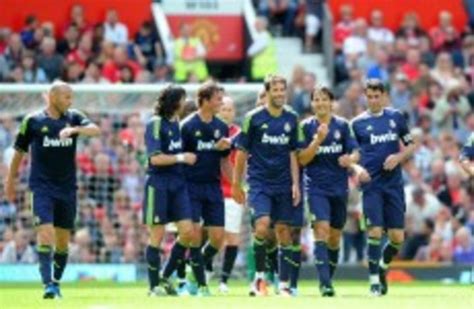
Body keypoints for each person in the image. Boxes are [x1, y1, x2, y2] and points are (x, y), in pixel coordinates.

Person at [4, 80, 101, 299]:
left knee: (62, 240)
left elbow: (96, 130)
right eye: (67, 97)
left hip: (67, 188)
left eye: (71, 97)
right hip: (41, 187)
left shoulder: (74, 116)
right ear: (54, 97)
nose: (70, 101)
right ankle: (47, 285)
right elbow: (19, 152)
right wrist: (10, 181)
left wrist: (75, 129)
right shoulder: (33, 121)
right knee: (45, 233)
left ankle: (56, 283)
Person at [232, 74, 300, 296]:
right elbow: (242, 152)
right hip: (259, 182)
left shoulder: (292, 118)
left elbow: (293, 153)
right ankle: (259, 278)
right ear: (267, 92)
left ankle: (284, 284)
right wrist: (236, 183)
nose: (280, 93)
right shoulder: (253, 118)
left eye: (283, 89)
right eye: (276, 90)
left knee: (283, 231)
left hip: (283, 182)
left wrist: (296, 184)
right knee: (262, 225)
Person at [350, 79, 416, 296]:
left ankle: (382, 268)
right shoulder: (357, 124)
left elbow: (411, 144)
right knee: (375, 231)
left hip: (394, 185)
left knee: (397, 238)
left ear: (385, 96)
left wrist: (398, 157)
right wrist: (357, 168)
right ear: (365, 97)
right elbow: (353, 155)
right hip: (372, 185)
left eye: (377, 96)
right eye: (369, 96)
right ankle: (373, 283)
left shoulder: (396, 117)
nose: (373, 100)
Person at [298, 86, 359, 296]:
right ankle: (325, 284)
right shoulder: (305, 127)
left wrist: (350, 159)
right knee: (321, 231)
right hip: (315, 188)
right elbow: (302, 159)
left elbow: (356, 152)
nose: (320, 103)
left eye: (324, 99)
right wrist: (318, 140)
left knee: (334, 237)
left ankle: (327, 278)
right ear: (312, 103)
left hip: (339, 189)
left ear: (331, 102)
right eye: (316, 99)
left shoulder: (343, 126)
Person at [142, 85, 199, 296]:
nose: (185, 103)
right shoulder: (155, 124)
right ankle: (153, 286)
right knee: (157, 234)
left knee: (188, 231)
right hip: (158, 183)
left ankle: (165, 277)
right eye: (183, 99)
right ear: (175, 101)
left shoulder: (178, 123)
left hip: (178, 183)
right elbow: (155, 158)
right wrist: (182, 157)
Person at [181, 82, 232, 295]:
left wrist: (238, 186)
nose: (221, 102)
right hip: (190, 186)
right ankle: (200, 285)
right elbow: (180, 159)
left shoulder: (221, 127)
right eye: (218, 98)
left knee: (218, 238)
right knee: (193, 235)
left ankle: (193, 271)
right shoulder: (187, 126)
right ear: (205, 100)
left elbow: (225, 162)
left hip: (213, 187)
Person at [217, 95, 243, 293]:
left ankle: (224, 280)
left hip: (232, 192)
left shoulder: (240, 134)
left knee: (233, 237)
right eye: (223, 109)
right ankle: (203, 270)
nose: (226, 112)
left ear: (234, 112)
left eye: (229, 109)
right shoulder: (210, 131)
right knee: (211, 236)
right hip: (211, 191)